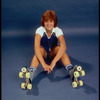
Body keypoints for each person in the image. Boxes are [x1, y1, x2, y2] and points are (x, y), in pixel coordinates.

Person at [22, 10, 84, 89]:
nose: (48, 24)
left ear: (54, 22)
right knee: (39, 49)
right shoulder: (39, 30)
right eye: (46, 21)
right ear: (43, 22)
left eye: (51, 21)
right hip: (43, 53)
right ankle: (30, 73)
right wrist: (44, 64)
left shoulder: (58, 30)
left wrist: (53, 62)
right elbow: (36, 48)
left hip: (52, 53)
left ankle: (70, 70)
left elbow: (64, 46)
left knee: (60, 48)